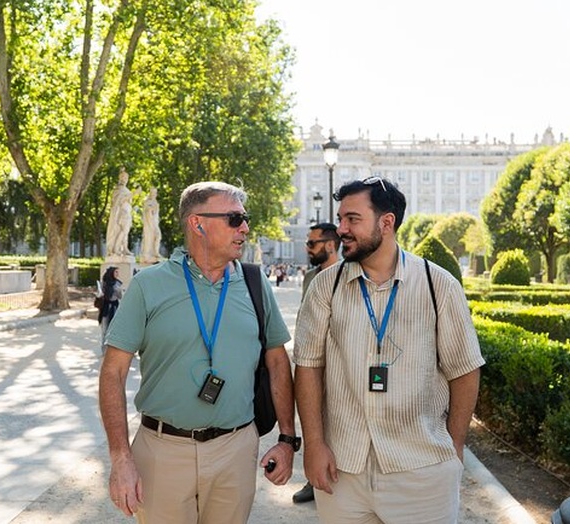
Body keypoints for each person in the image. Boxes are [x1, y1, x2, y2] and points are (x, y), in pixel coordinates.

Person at [99, 181, 299, 523]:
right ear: (198, 223)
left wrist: (287, 438)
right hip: (162, 451)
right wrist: (121, 458)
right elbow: (113, 373)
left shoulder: (254, 283)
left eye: (245, 218)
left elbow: (278, 363)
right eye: (235, 218)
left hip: (236, 450)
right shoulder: (149, 285)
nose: (245, 228)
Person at [294, 177, 484, 523]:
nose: (341, 230)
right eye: (340, 219)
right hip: (342, 471)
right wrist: (314, 445)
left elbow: (465, 370)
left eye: (353, 219)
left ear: (387, 222)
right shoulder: (325, 286)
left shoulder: (437, 284)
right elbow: (308, 367)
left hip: (422, 470)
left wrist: (453, 448)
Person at [292, 222, 340, 504]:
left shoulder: (347, 274)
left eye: (312, 244)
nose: (307, 248)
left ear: (331, 245)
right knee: (310, 416)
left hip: (337, 361)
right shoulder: (311, 277)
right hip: (311, 360)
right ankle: (313, 479)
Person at [105, 168, 133, 256]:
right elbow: (119, 201)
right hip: (121, 214)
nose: (125, 179)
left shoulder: (127, 190)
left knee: (126, 231)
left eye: (126, 178)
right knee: (123, 230)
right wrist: (134, 193)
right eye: (123, 177)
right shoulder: (118, 190)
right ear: (120, 178)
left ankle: (124, 248)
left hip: (127, 213)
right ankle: (116, 248)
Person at [98, 266, 123, 354]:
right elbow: (100, 294)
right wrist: (99, 294)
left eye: (118, 272)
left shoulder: (118, 283)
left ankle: (113, 350)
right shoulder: (104, 283)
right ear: (111, 273)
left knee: (114, 329)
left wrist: (119, 291)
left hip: (115, 307)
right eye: (116, 272)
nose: (117, 274)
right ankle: (104, 350)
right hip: (105, 308)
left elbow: (120, 296)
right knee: (104, 329)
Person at [140, 186, 161, 263]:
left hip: (155, 223)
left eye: (155, 193)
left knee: (158, 236)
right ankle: (149, 254)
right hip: (149, 224)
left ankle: (155, 252)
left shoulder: (156, 202)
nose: (153, 194)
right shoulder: (147, 202)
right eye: (152, 192)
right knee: (149, 238)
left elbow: (156, 214)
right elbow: (146, 212)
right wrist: (151, 209)